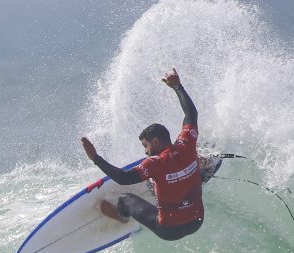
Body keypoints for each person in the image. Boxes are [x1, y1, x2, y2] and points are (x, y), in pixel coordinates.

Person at [79, 69, 204, 241]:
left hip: (169, 230)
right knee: (192, 168)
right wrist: (177, 87)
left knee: (124, 199)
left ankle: (122, 217)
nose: (145, 151)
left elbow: (123, 178)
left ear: (156, 142)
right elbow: (191, 115)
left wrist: (96, 158)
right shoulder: (186, 143)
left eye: (146, 145)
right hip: (197, 221)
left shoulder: (155, 163)